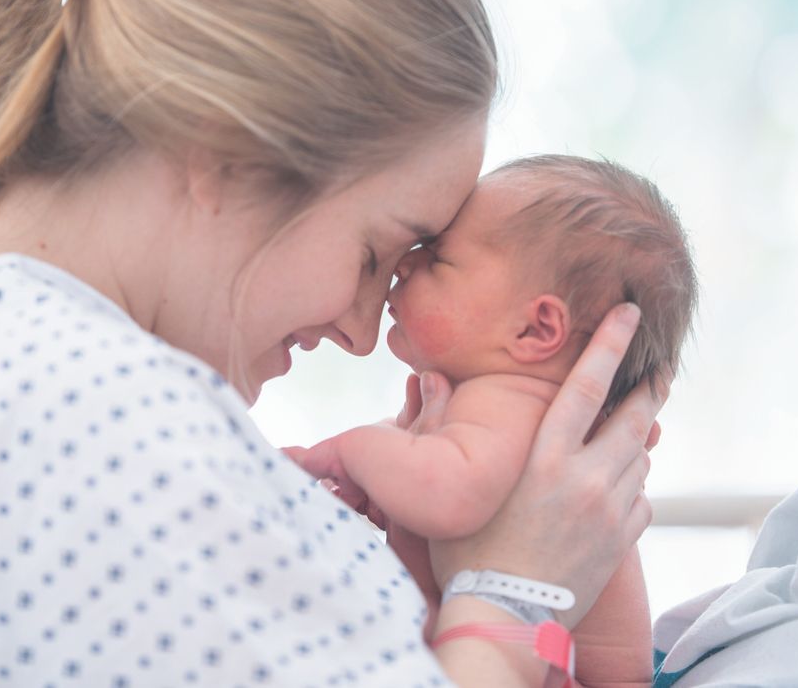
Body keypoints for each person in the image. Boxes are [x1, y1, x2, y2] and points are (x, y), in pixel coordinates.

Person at [0, 0, 663, 685]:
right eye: (373, 255)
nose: (366, 335)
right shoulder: (67, 415)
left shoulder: (9, 379)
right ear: (227, 147)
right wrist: (517, 594)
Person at [290, 154, 697, 685]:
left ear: (535, 329)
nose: (404, 264)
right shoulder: (511, 413)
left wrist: (350, 452)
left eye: (438, 258)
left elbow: (448, 493)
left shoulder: (514, 403)